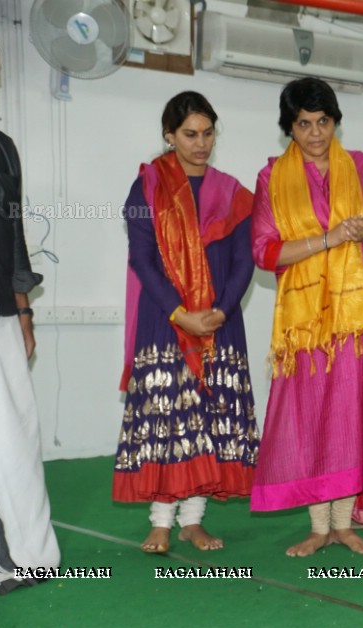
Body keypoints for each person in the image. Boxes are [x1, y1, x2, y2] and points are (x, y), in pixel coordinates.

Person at [250, 78, 363, 557]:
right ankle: (319, 526)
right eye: (303, 124)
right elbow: (265, 251)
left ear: (335, 121)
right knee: (311, 414)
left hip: (356, 319)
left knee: (349, 413)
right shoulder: (272, 178)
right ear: (288, 129)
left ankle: (343, 525)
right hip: (305, 322)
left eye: (323, 122)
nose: (315, 133)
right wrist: (331, 238)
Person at [113, 92, 260, 553]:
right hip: (166, 320)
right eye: (190, 135)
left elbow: (243, 260)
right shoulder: (148, 187)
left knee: (208, 418)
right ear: (169, 136)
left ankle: (193, 521)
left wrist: (221, 309)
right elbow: (143, 258)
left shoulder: (233, 193)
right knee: (168, 416)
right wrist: (181, 314)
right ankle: (160, 520)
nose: (201, 144)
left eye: (208, 133)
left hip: (219, 321)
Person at [0, 41, 61, 594]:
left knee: (15, 434)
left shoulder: (4, 151)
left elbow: (14, 239)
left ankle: (30, 559)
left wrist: (23, 309)